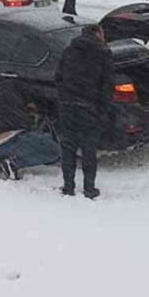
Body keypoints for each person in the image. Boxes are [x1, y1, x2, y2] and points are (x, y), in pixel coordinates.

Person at [56, 23, 114, 198]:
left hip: (67, 107)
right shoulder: (103, 54)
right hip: (90, 108)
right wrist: (102, 109)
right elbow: (107, 85)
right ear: (98, 34)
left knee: (68, 148)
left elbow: (58, 77)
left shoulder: (69, 51)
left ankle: (68, 187)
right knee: (89, 150)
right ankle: (89, 188)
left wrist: (65, 98)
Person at [0, 81, 61, 180]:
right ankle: (12, 164)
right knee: (54, 151)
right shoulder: (22, 92)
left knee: (17, 144)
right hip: (11, 138)